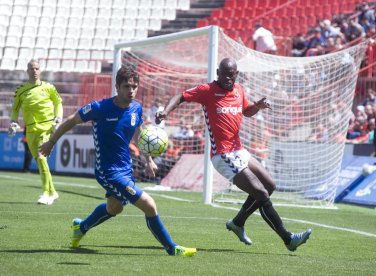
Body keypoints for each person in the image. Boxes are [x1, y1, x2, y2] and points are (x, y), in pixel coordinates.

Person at [156, 58, 312, 252]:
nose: (228, 78)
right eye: (225, 73)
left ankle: (238, 223)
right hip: (223, 155)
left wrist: (257, 106)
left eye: (232, 74)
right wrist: (165, 111)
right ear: (217, 72)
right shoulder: (207, 90)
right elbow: (181, 96)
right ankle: (288, 239)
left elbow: (246, 111)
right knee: (261, 193)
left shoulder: (239, 89)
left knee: (270, 185)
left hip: (239, 150)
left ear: (236, 74)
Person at [39, 66, 196, 257]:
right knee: (149, 205)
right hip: (108, 171)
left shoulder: (136, 108)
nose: (131, 90)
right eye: (126, 86)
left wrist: (148, 159)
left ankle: (81, 227)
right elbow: (72, 120)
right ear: (117, 87)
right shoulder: (100, 108)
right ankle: (172, 248)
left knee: (114, 208)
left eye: (134, 86)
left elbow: (138, 136)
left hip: (125, 168)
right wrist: (51, 142)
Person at [9, 59, 62, 205]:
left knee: (41, 158)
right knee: (40, 161)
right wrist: (13, 122)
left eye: (37, 68)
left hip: (46, 128)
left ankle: (46, 193)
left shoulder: (49, 87)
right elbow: (15, 109)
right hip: (30, 130)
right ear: (27, 71)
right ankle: (53, 192)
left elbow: (58, 103)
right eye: (32, 68)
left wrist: (58, 117)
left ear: (40, 70)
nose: (35, 71)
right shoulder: (21, 90)